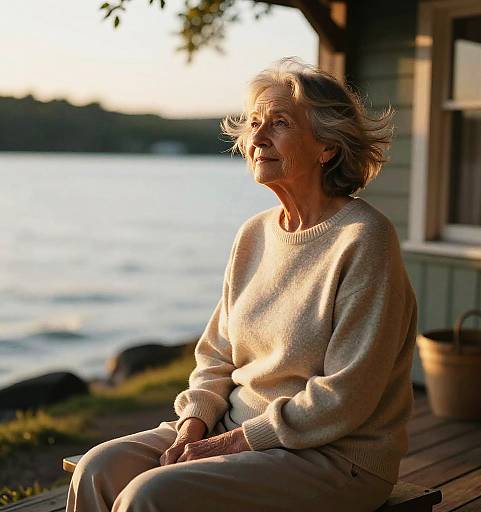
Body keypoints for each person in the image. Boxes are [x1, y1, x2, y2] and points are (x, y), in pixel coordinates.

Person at [66, 56, 418, 512]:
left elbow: (344, 399)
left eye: (280, 122)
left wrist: (226, 445)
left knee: (149, 495)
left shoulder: (364, 238)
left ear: (326, 147)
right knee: (99, 467)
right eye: (254, 123)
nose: (258, 136)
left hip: (334, 457)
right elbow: (215, 354)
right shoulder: (254, 234)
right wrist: (194, 423)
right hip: (231, 431)